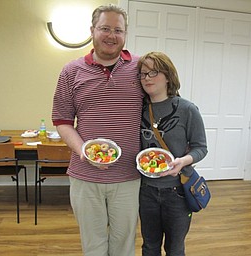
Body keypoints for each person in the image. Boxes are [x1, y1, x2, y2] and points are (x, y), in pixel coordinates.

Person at [51, 4, 144, 256]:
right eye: (105, 28)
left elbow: (163, 99)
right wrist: (83, 149)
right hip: (84, 174)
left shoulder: (141, 67)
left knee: (124, 244)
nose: (111, 35)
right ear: (92, 30)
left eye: (118, 30)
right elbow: (62, 120)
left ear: (125, 34)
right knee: (93, 244)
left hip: (128, 174)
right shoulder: (71, 71)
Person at [137, 52, 208, 256]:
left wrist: (182, 161)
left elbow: (200, 147)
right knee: (149, 246)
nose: (147, 78)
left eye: (154, 72)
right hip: (146, 190)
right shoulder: (139, 109)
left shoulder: (187, 109)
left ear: (168, 76)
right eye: (143, 74)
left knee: (175, 249)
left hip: (177, 192)